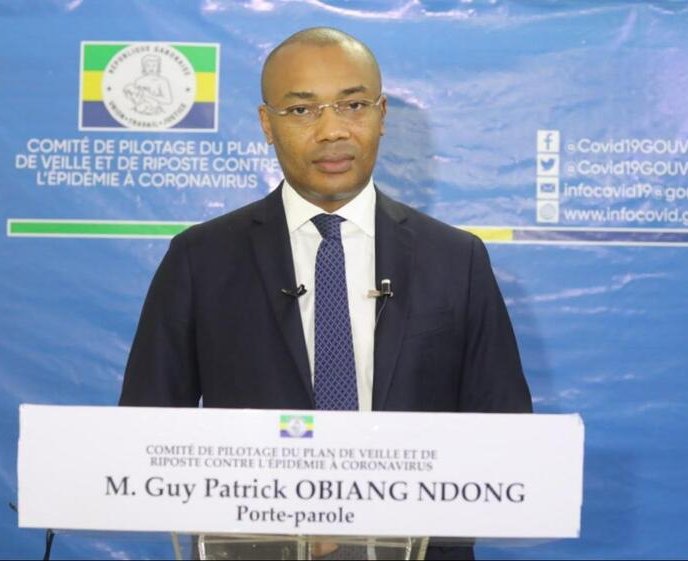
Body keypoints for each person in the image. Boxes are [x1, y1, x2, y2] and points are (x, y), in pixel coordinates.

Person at [120, 27, 532, 560]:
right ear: (267, 124)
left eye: (353, 105)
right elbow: (146, 433)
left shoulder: (456, 259)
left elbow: (505, 433)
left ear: (382, 115)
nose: (333, 131)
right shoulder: (200, 259)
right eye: (301, 111)